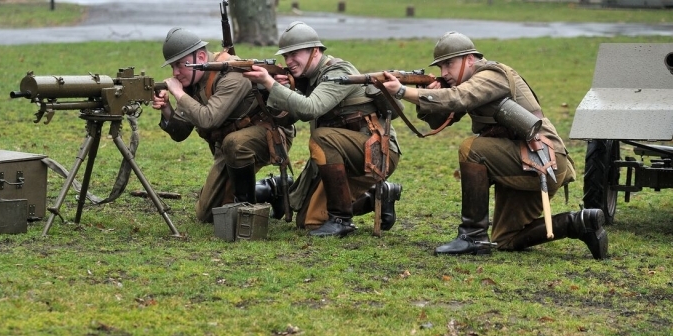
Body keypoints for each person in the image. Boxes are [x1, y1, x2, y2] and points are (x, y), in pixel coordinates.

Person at [381, 31, 607, 259]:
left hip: (542, 160)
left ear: (470, 59)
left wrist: (402, 91)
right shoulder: (466, 83)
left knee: (472, 149)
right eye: (440, 67)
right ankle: (579, 222)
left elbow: (460, 98)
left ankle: (472, 236)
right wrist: (431, 92)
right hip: (524, 160)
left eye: (449, 64)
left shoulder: (492, 74)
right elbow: (439, 119)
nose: (444, 72)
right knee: (505, 239)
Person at [243, 21, 403, 237]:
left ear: (315, 51)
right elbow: (285, 120)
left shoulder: (338, 71)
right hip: (345, 157)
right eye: (286, 56)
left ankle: (341, 220)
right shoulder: (307, 79)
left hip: (375, 154)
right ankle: (379, 196)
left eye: (294, 54)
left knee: (322, 137)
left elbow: (311, 108)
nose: (289, 61)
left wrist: (273, 86)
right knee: (308, 221)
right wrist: (274, 88)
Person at [153, 27, 295, 223]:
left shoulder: (232, 74)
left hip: (269, 135)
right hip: (231, 146)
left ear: (201, 56)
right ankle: (271, 188)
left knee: (234, 143)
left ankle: (247, 210)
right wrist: (166, 108)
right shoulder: (193, 81)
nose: (175, 73)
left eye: (179, 65)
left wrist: (179, 94)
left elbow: (208, 119)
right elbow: (180, 133)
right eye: (172, 67)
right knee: (206, 214)